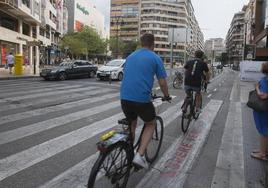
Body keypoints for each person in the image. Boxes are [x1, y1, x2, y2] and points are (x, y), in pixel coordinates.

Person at [120, 33, 171, 169]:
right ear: (153, 44)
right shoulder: (155, 58)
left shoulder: (130, 56)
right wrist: (166, 95)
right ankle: (139, 155)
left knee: (132, 122)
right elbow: (162, 82)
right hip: (141, 100)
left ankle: (128, 150)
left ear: (141, 43)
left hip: (124, 98)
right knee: (151, 123)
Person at [251, 61, 268, 161]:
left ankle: (262, 154)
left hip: (264, 109)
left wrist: (257, 87)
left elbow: (263, 95)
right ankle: (264, 150)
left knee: (264, 131)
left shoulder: (266, 80)